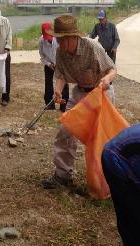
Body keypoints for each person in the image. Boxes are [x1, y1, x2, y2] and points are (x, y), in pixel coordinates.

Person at [41, 15, 116, 189]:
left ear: (74, 37)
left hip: (101, 93)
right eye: (58, 40)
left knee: (103, 138)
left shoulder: (92, 46)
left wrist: (107, 80)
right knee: (65, 130)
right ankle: (62, 175)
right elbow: (60, 75)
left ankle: (107, 179)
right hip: (79, 93)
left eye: (63, 40)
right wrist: (58, 90)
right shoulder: (60, 52)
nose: (60, 44)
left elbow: (112, 69)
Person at [38, 22, 69, 112]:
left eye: (50, 37)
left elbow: (65, 53)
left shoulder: (59, 39)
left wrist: (59, 64)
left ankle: (64, 105)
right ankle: (49, 104)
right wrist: (49, 64)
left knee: (63, 83)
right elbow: (42, 56)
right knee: (48, 84)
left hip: (61, 64)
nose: (49, 39)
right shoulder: (41, 41)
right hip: (49, 64)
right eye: (47, 37)